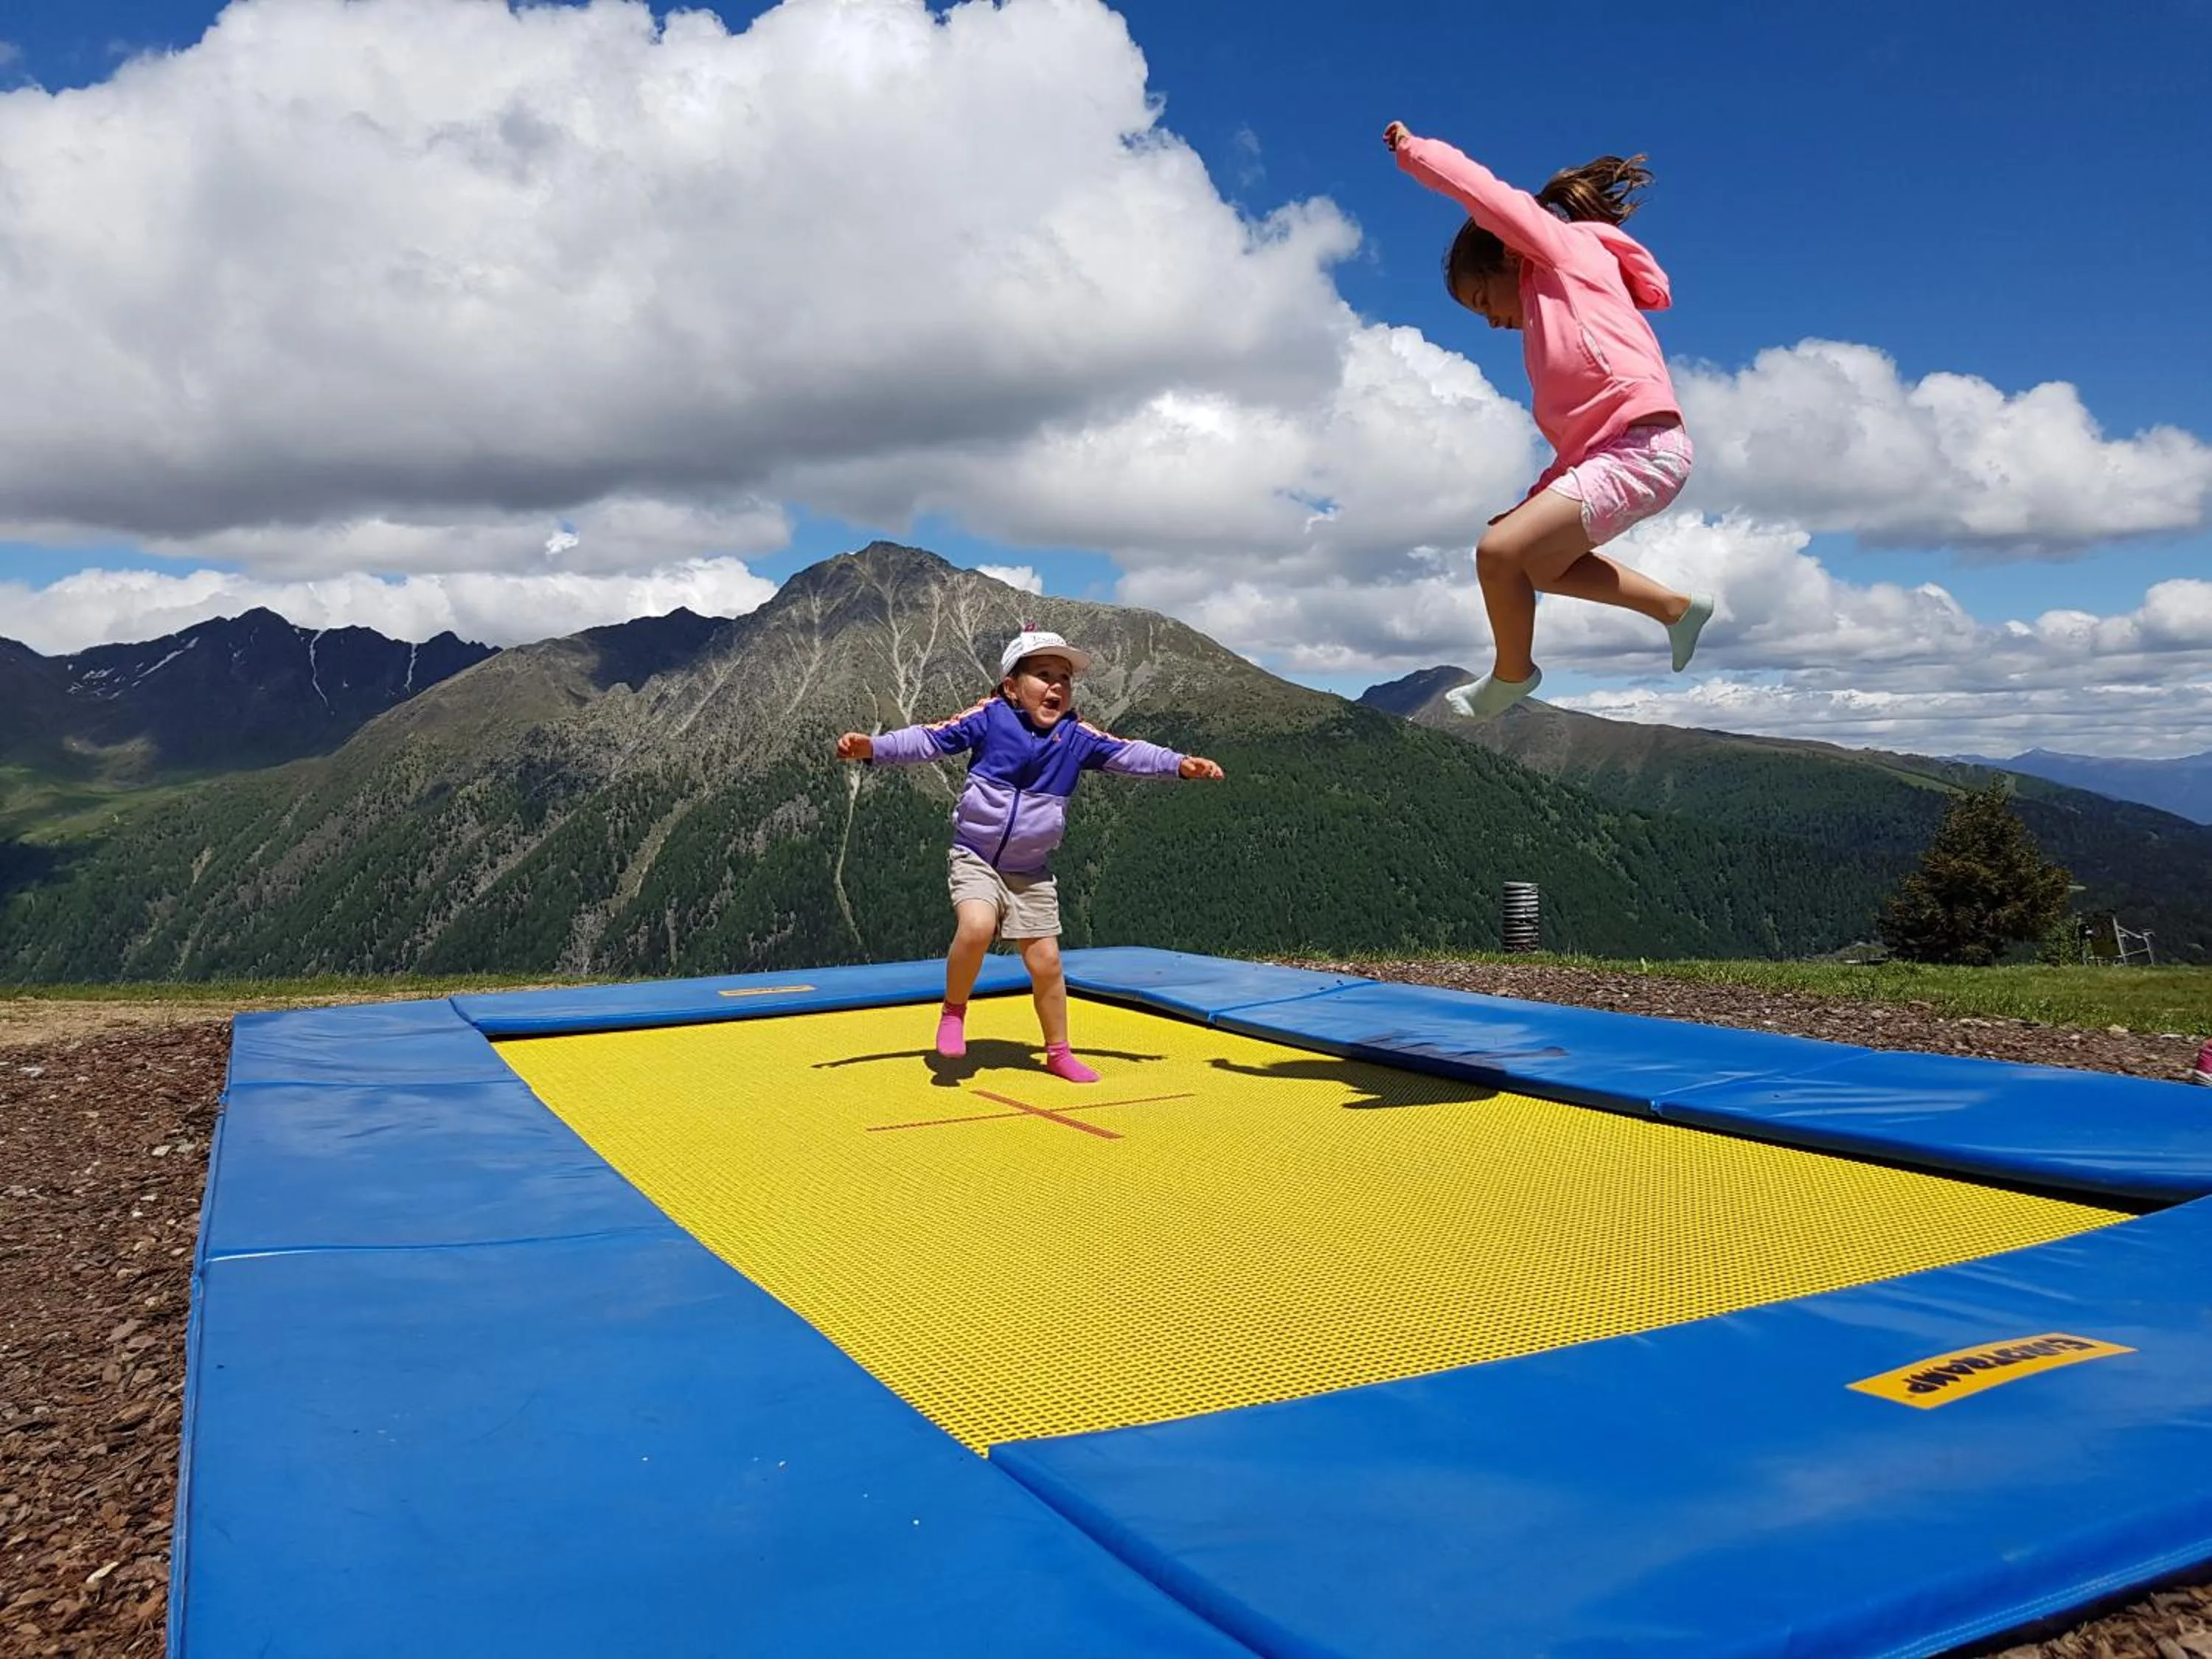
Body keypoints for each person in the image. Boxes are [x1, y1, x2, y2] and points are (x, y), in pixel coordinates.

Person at [1383, 119, 1715, 721]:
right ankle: (1676, 609)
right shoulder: (1554, 324)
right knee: (1532, 562)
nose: (1489, 322)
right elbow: (1582, 448)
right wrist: (1529, 506)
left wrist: (1415, 152)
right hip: (1627, 451)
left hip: (1644, 449)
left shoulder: (1561, 256)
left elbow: (1482, 193)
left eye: (1483, 301)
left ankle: (1514, 674)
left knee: (1497, 555)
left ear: (1509, 254)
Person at [834, 628, 1225, 1082]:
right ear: (1011, 686)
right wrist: (874, 749)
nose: (1057, 686)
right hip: (976, 856)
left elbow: (1129, 753)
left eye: (1064, 678)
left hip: (1030, 872)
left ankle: (1058, 1052)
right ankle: (954, 1012)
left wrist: (1179, 764)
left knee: (1047, 964)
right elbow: (930, 739)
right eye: (1043, 675)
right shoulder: (990, 718)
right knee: (977, 926)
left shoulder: (1077, 737)